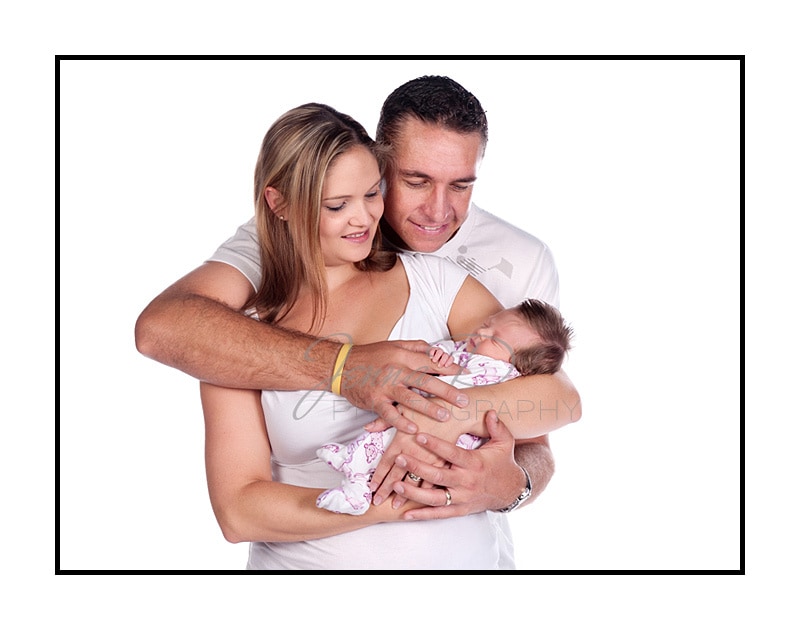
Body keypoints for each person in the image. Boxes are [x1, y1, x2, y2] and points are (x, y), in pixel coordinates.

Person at [135, 75, 581, 565]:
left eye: (460, 185)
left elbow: (555, 406)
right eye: (414, 181)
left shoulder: (453, 276)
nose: (365, 218)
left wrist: (496, 469)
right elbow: (238, 509)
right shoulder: (238, 329)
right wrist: (347, 379)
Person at [316, 298, 574, 516]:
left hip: (453, 440)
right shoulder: (469, 351)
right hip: (416, 413)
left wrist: (449, 374)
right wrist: (436, 356)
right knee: (384, 437)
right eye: (487, 324)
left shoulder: (504, 374)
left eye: (495, 340)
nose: (482, 333)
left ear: (521, 366)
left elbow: (468, 384)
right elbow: (440, 357)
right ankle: (351, 462)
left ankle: (357, 491)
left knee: (397, 452)